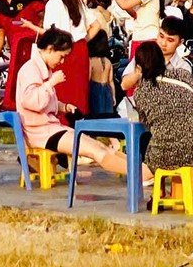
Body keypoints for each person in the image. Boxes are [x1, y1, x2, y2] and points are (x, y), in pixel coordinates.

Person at [14, 28, 131, 183]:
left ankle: (140, 169)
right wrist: (51, 83)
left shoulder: (42, 69)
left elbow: (46, 102)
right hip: (40, 133)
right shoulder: (30, 69)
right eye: (61, 56)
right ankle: (139, 173)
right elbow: (32, 101)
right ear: (50, 49)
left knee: (100, 147)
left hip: (49, 128)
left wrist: (63, 106)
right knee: (96, 151)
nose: (62, 62)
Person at [126, 39, 193, 181]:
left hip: (162, 156)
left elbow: (146, 123)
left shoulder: (140, 92)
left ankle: (160, 190)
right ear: (162, 60)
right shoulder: (183, 75)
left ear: (139, 68)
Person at [28, 0, 92, 111]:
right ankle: (79, 123)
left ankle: (64, 125)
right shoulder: (77, 2)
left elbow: (52, 34)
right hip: (81, 49)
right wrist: (83, 39)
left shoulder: (53, 3)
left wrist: (32, 27)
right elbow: (95, 26)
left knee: (63, 92)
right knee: (79, 93)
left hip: (63, 52)